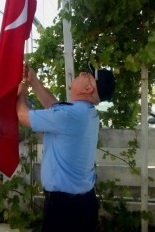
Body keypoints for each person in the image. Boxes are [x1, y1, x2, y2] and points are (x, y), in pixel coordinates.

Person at [17, 63, 115, 232]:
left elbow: (22, 115)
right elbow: (54, 106)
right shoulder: (83, 112)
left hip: (65, 210)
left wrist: (22, 89)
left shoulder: (70, 115)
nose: (81, 73)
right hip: (80, 205)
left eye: (86, 74)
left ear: (89, 88)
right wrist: (33, 81)